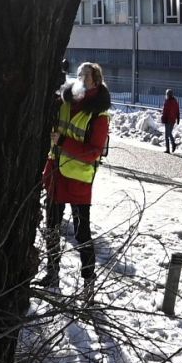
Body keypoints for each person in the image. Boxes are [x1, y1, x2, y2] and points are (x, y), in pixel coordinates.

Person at [42, 62, 111, 296]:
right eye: (80, 74)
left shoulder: (99, 114)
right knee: (51, 227)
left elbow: (94, 151)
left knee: (82, 234)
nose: (81, 78)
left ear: (96, 81)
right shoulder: (66, 101)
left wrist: (63, 142)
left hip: (78, 181)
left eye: (87, 75)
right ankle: (52, 275)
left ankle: (88, 284)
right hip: (55, 175)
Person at [160, 89, 180, 154]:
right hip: (173, 119)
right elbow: (177, 110)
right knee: (169, 133)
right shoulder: (175, 101)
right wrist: (178, 118)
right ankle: (173, 144)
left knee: (167, 135)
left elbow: (165, 111)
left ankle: (168, 149)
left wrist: (163, 118)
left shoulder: (167, 101)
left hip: (168, 119)